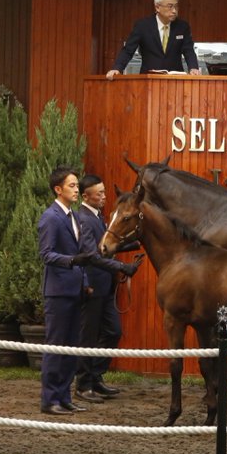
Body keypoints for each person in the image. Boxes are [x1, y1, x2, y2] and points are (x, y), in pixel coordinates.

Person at [74, 174, 142, 403]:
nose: (104, 196)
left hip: (105, 285)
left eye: (104, 192)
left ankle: (96, 375)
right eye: (99, 193)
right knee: (88, 336)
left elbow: (106, 249)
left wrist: (134, 242)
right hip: (91, 286)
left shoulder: (99, 217)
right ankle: (83, 385)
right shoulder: (83, 219)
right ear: (86, 196)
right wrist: (123, 266)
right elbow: (92, 256)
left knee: (113, 331)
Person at [37, 166, 94, 416]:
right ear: (57, 189)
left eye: (77, 185)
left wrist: (84, 281)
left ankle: (64, 396)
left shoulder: (73, 216)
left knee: (71, 347)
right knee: (56, 346)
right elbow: (46, 254)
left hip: (74, 290)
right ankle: (50, 399)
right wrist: (71, 261)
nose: (76, 188)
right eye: (71, 185)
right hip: (58, 292)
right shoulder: (51, 217)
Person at [106, 0, 200, 79]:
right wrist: (117, 68)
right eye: (170, 6)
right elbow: (128, 50)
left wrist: (193, 68)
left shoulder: (182, 27)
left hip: (175, 79)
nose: (174, 11)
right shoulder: (142, 26)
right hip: (148, 80)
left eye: (176, 6)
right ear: (157, 7)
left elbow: (188, 50)